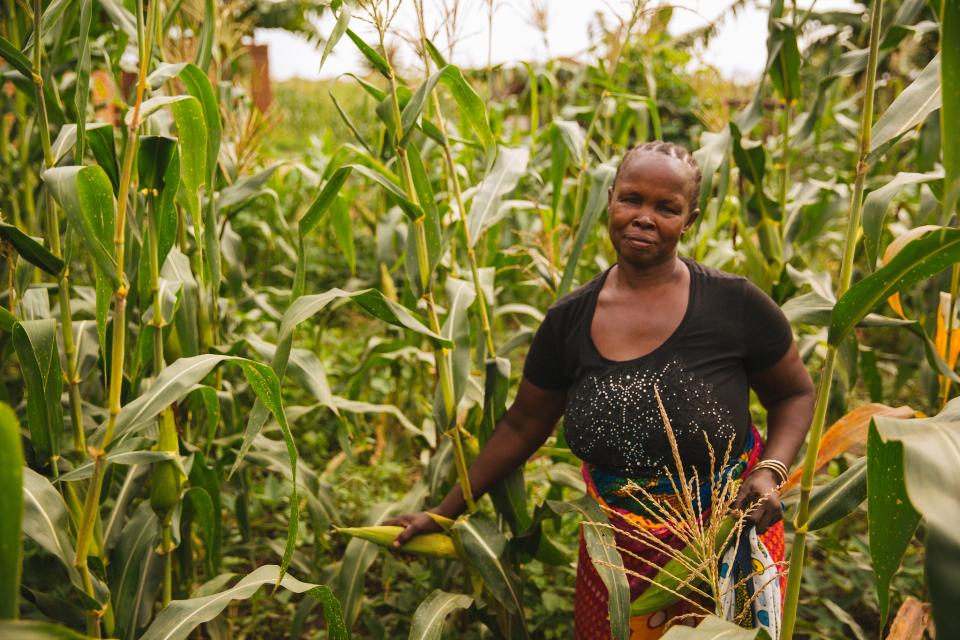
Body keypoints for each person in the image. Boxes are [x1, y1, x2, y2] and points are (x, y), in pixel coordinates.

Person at [386, 141, 816, 638]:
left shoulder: (734, 304)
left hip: (725, 540)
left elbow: (794, 394)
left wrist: (770, 471)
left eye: (666, 207)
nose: (644, 217)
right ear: (609, 199)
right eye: (631, 199)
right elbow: (523, 425)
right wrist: (444, 513)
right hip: (615, 556)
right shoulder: (569, 320)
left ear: (690, 220)